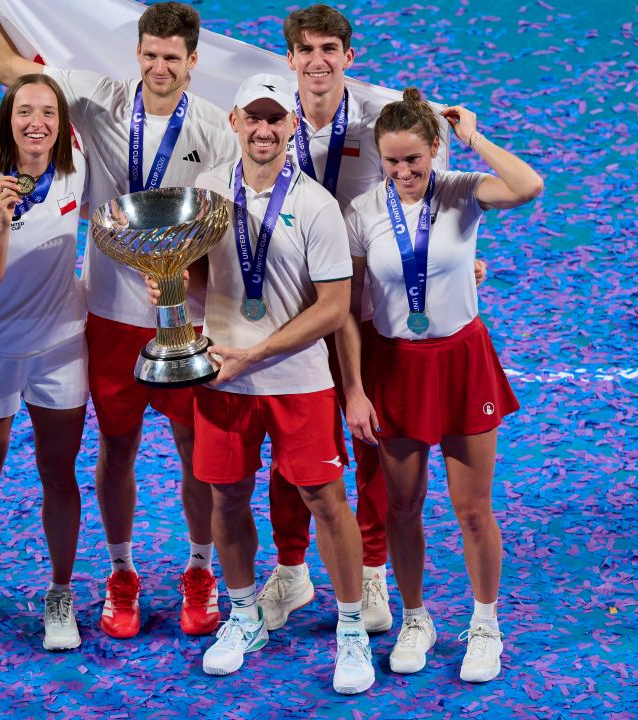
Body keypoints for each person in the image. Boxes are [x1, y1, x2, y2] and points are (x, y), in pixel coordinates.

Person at [0, 0, 236, 639]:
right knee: (117, 449)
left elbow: (235, 217)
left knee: (196, 452)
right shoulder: (97, 100)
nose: (159, 66)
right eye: (150, 54)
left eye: (172, 57)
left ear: (193, 62)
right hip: (110, 317)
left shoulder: (219, 130)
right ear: (136, 54)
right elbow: (5, 66)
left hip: (187, 319)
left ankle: (200, 570)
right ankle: (121, 573)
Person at [260, 3, 487, 637]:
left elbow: (431, 161)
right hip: (289, 301)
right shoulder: (270, 119)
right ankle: (292, 567)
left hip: (364, 307)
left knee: (369, 443)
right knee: (294, 441)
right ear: (289, 59)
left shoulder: (375, 116)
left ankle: (374, 571)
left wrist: (458, 253)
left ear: (349, 57)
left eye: (330, 48)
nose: (318, 60)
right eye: (305, 50)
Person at [177, 74, 375, 694]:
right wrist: (175, 290)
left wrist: (252, 353)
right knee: (226, 499)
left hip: (296, 379)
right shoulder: (207, 192)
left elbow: (333, 307)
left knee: (324, 498)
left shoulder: (315, 204)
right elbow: (196, 283)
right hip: (223, 379)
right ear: (234, 122)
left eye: (275, 119)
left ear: (292, 125)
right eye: (252, 119)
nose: (264, 130)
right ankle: (242, 614)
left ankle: (350, 629)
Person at [339, 88, 542, 683]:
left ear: (436, 151)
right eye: (392, 162)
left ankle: (485, 624)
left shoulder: (460, 190)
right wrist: (354, 387)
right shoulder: (363, 212)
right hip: (395, 366)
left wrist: (473, 138)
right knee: (402, 506)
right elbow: (349, 307)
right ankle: (415, 618)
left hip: (460, 360)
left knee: (471, 507)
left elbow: (528, 187)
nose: (403, 173)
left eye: (414, 160)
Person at [0, 74, 90, 652]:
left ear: (62, 124)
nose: (37, 123)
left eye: (49, 113)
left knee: (59, 473)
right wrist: (3, 221)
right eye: (26, 111)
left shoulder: (76, 170)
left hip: (62, 347)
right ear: (7, 118)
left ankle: (60, 593)